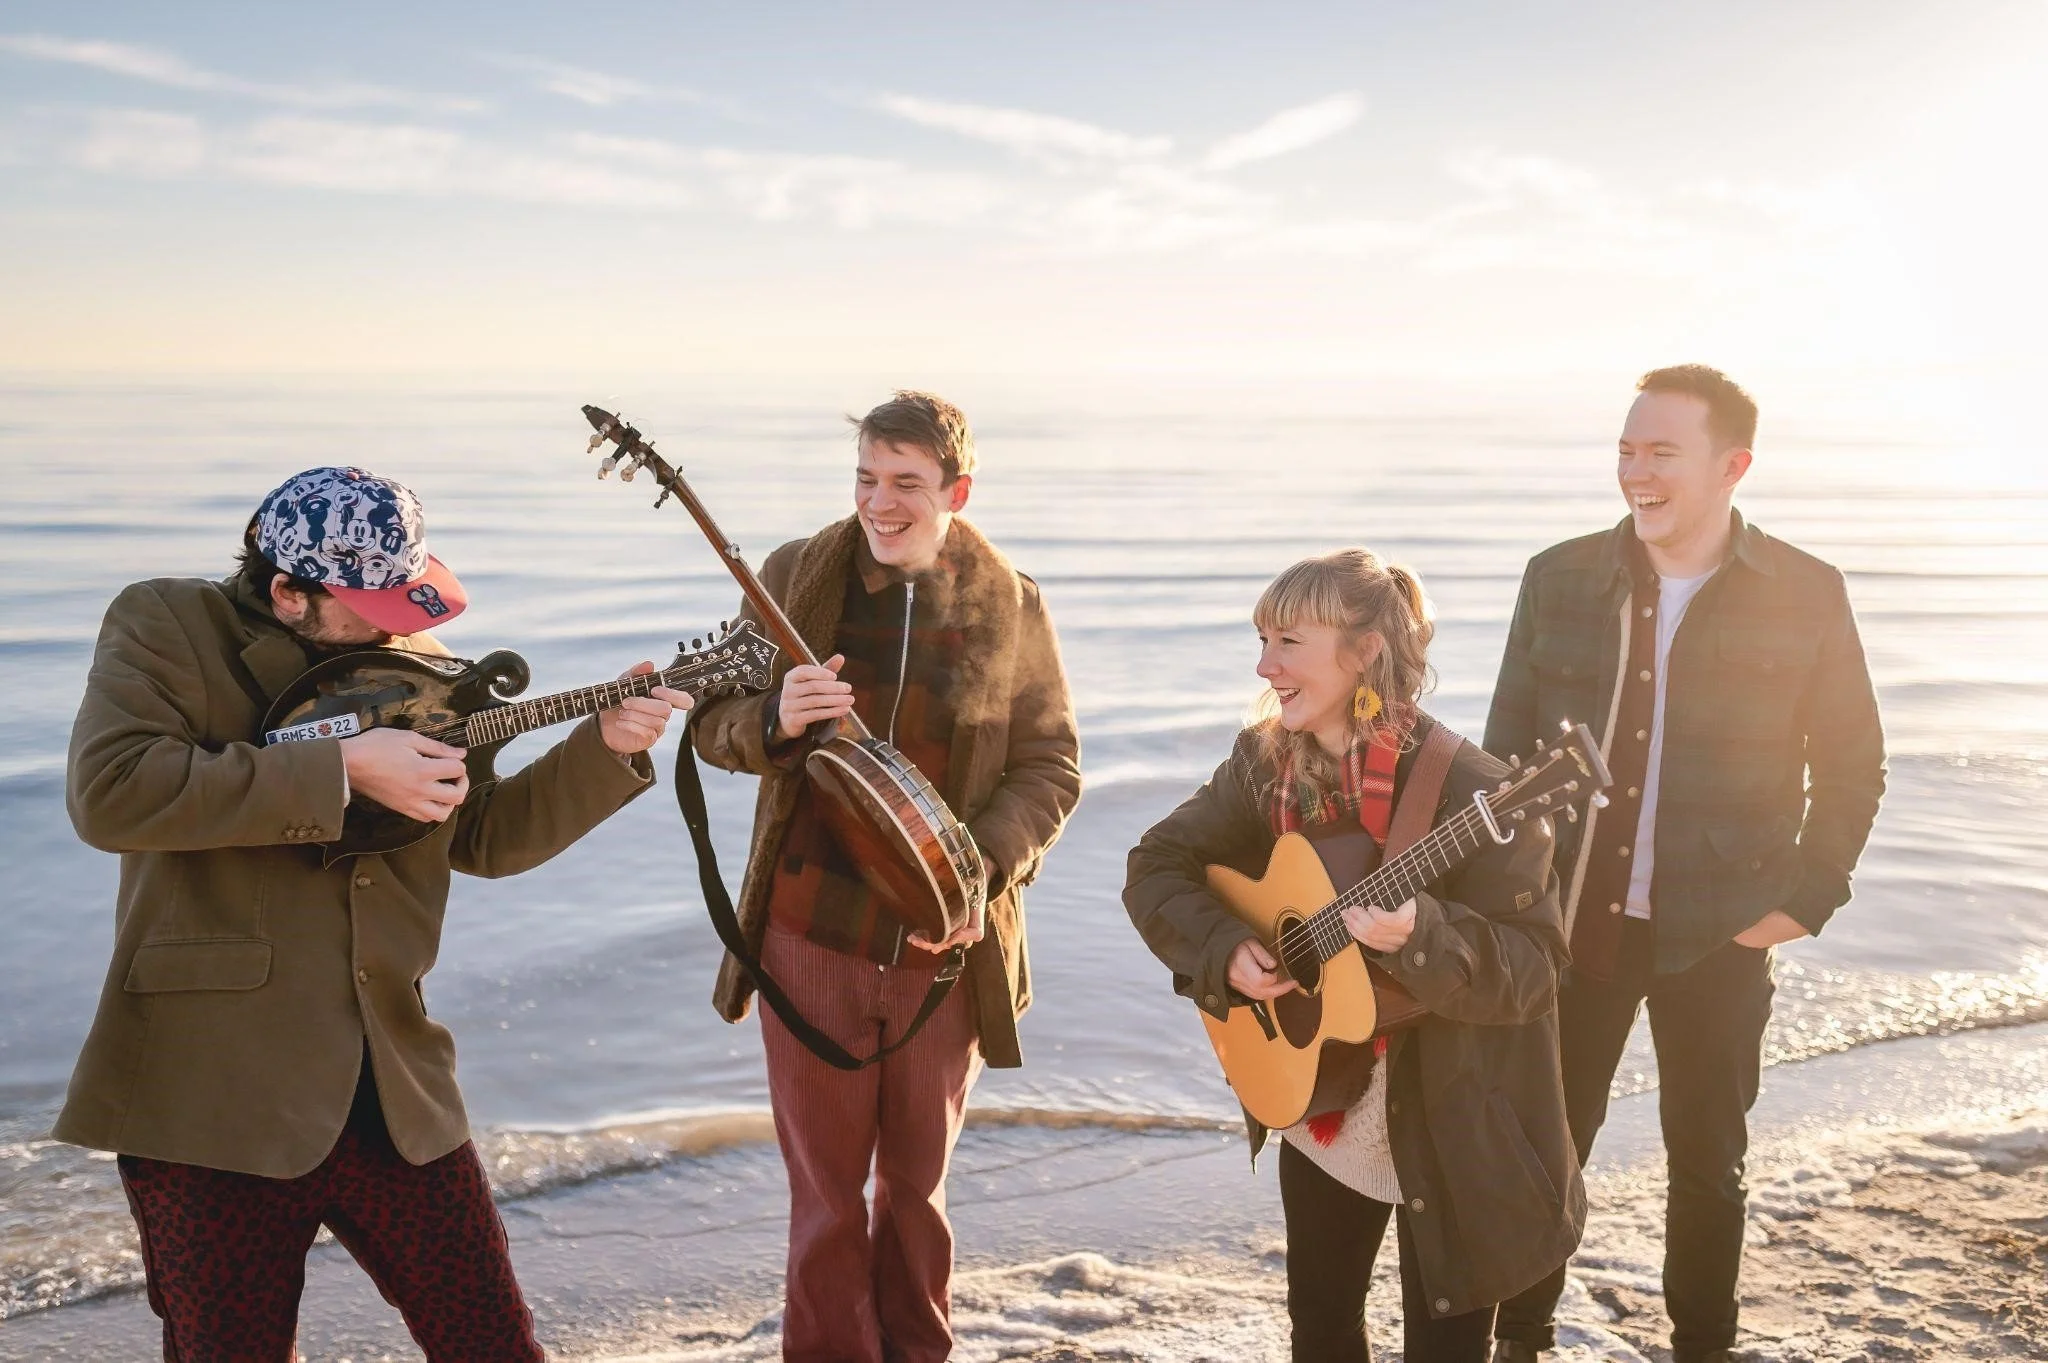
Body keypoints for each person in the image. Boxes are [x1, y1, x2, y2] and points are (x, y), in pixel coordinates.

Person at [55, 466, 690, 1361]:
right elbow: (111, 794)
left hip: (394, 1085)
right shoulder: (165, 624)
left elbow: (488, 837)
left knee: (495, 1345)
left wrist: (605, 746)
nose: (408, 625)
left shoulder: (422, 665)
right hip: (213, 1097)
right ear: (288, 593)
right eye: (375, 603)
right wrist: (344, 768)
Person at [1486, 366, 1887, 1363]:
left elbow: (1850, 762)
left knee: (1706, 1163)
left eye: (1660, 452)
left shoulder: (1804, 592)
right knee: (1546, 1153)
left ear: (1730, 466)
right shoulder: (1558, 577)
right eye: (1625, 450)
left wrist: (1800, 900)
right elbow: (1498, 761)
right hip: (1572, 925)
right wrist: (1504, 908)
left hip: (1720, 927)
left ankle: (1700, 1349)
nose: (1635, 473)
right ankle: (1519, 1343)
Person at [688, 391, 1082, 1362]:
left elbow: (1050, 766)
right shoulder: (793, 579)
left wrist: (976, 876)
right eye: (866, 478)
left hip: (943, 950)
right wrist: (773, 719)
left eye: (905, 482)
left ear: (957, 489)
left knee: (915, 1194)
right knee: (824, 1201)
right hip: (807, 935)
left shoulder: (1012, 603)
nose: (880, 503)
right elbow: (709, 724)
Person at [1123, 548, 1584, 1363]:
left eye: (1288, 643)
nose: (1265, 666)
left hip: (1452, 1105)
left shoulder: (1474, 791)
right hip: (1322, 1091)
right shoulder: (1263, 763)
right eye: (1263, 639)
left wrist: (1423, 935)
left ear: (1364, 650)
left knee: (1442, 1350)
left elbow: (1537, 970)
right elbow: (1155, 865)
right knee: (1322, 1330)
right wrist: (1228, 948)